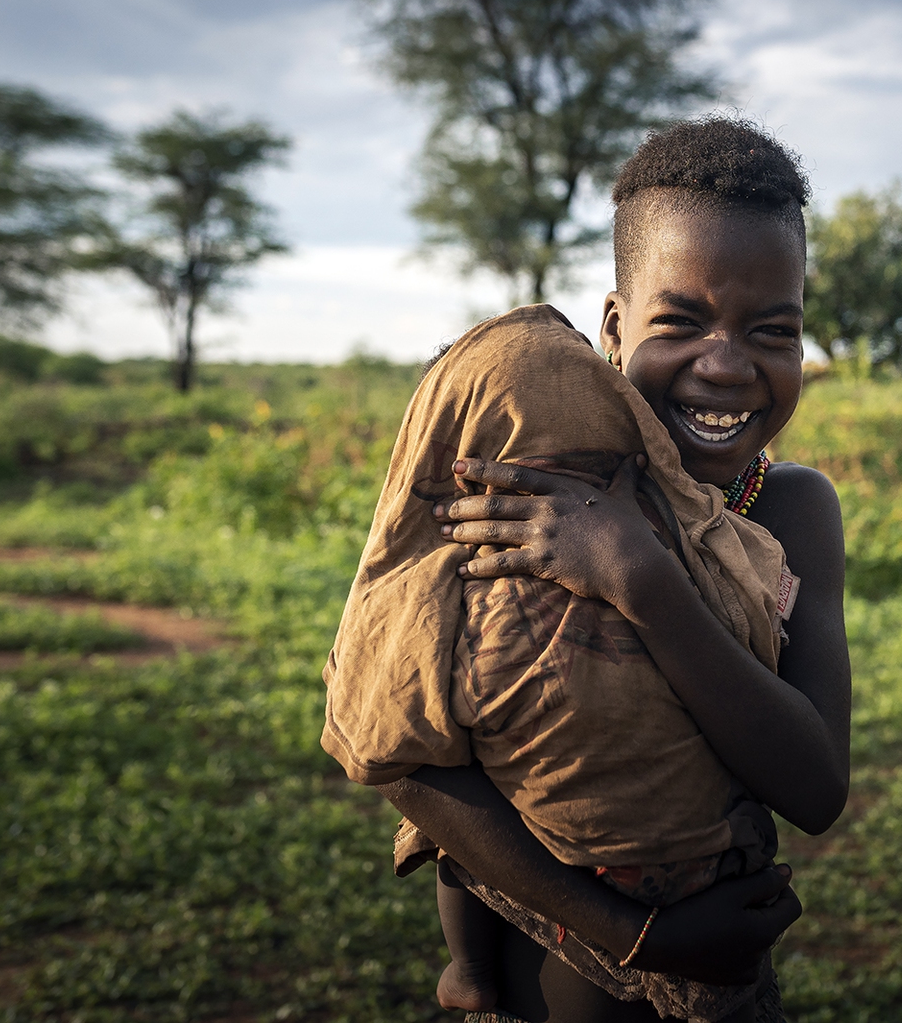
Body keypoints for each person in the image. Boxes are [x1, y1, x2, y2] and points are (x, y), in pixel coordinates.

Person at [336, 118, 850, 1022]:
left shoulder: (790, 510)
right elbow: (400, 747)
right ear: (614, 329)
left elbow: (814, 787)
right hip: (535, 982)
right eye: (680, 322)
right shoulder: (525, 492)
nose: (727, 365)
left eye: (774, 332)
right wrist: (636, 936)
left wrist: (643, 581)